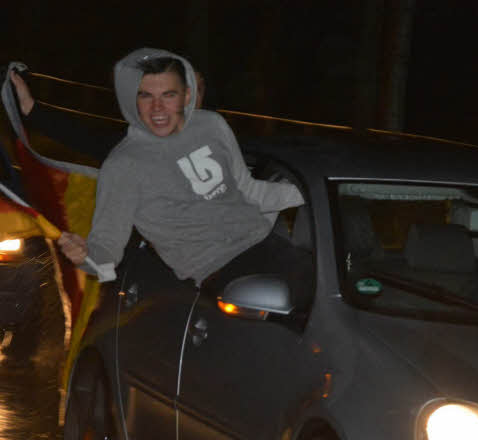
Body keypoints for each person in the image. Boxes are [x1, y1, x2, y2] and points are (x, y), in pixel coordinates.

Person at [56, 48, 305, 298]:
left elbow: (250, 191)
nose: (157, 108)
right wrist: (85, 257)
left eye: (168, 95)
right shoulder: (123, 165)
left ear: (187, 96)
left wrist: (313, 192)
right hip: (220, 273)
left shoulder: (211, 125)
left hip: (269, 244)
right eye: (145, 96)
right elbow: (107, 249)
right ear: (132, 100)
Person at [10, 66, 207, 163]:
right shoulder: (140, 145)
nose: (189, 97)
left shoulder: (223, 141)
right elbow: (84, 137)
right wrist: (31, 107)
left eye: (196, 89)